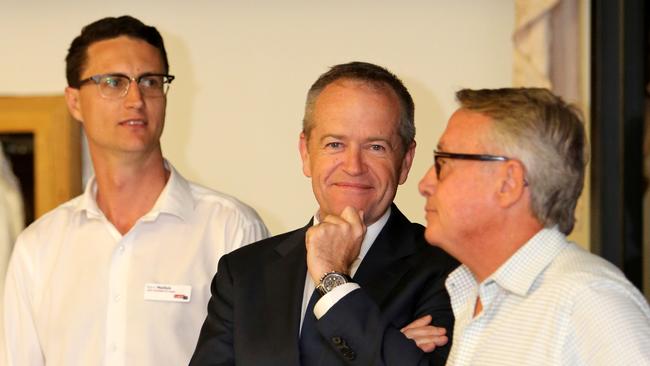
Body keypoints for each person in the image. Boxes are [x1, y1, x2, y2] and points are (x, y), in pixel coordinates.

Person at [3, 16, 268, 366]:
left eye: (150, 81)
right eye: (113, 82)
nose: (136, 99)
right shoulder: (38, 248)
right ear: (75, 102)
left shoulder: (231, 229)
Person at [190, 61, 458, 366]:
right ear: (306, 153)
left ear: (406, 161)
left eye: (376, 147)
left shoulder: (448, 271)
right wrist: (387, 348)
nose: (353, 166)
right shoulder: (244, 273)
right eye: (335, 144)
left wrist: (333, 277)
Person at [418, 87, 650, 365]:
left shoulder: (589, 302)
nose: (425, 184)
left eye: (444, 163)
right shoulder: (476, 296)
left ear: (509, 183)